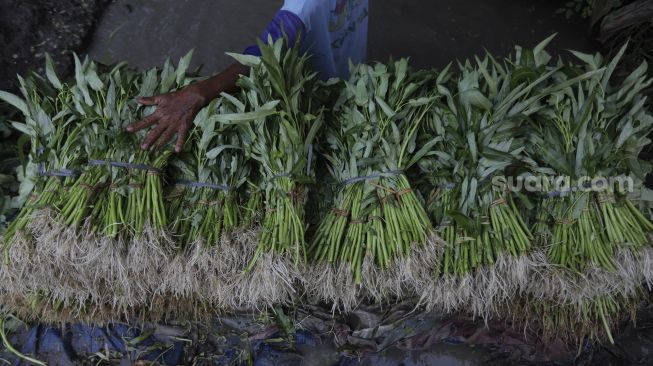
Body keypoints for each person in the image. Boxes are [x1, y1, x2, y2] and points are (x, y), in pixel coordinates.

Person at [127, 0, 369, 152]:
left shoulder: (302, 5)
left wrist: (199, 92)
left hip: (318, 82)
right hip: (349, 61)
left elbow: (262, 55)